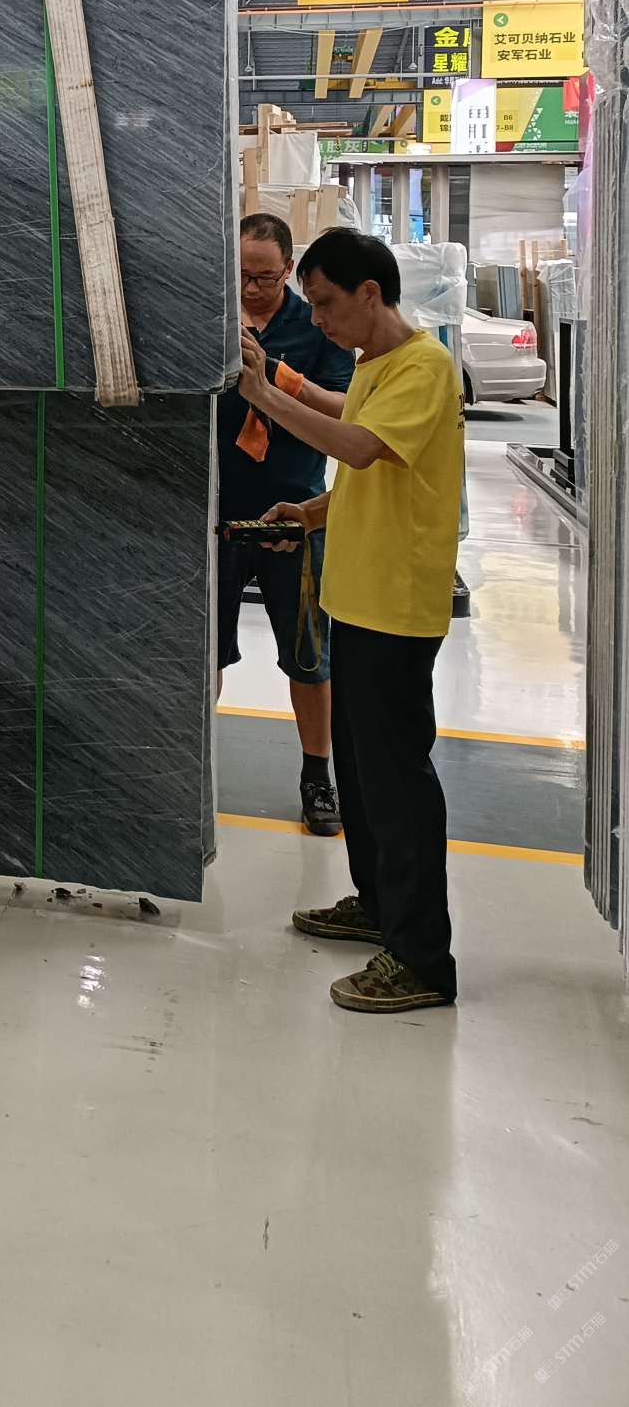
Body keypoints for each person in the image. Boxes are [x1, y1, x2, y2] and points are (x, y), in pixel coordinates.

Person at [239, 226, 465, 1016]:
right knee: (365, 778)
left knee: (398, 781)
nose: (320, 320)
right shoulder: (375, 364)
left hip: (397, 607)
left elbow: (364, 448)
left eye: (327, 303)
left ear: (371, 293)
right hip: (357, 598)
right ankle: (377, 905)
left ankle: (423, 958)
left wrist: (267, 395)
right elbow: (366, 474)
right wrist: (311, 511)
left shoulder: (425, 367)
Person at [217, 214, 355, 833]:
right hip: (218, 512)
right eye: (243, 276)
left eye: (266, 278)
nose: (252, 289)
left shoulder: (317, 325)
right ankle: (196, 763)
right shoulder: (212, 321)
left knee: (309, 654)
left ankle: (317, 776)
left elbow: (347, 409)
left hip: (296, 513)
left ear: (288, 271)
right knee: (205, 652)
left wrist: (276, 376)